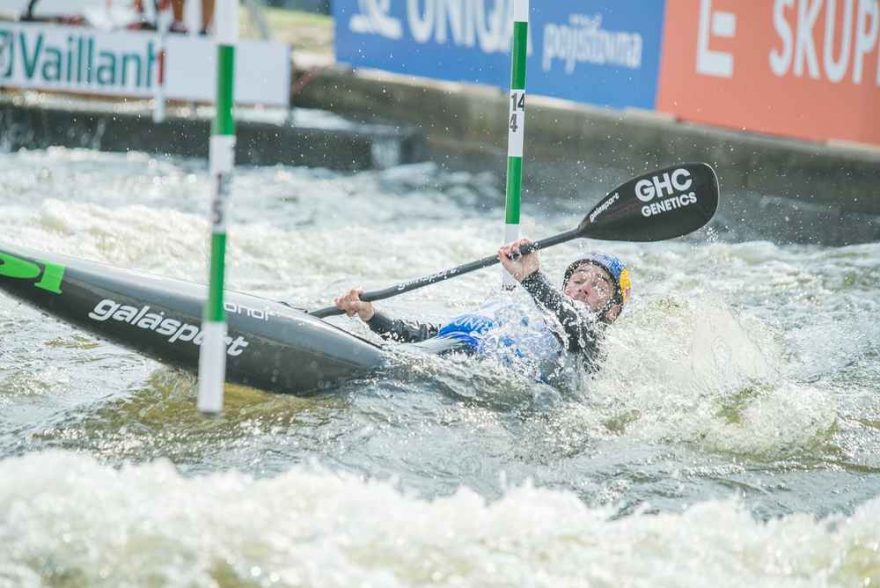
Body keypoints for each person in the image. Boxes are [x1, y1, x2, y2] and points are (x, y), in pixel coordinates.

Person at [335, 239, 632, 382]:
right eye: (578, 279)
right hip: (432, 355)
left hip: (460, 374)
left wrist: (532, 279)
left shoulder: (588, 341)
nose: (583, 287)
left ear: (611, 312)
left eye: (599, 286)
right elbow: (424, 335)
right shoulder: (514, 308)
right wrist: (370, 314)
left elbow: (574, 330)